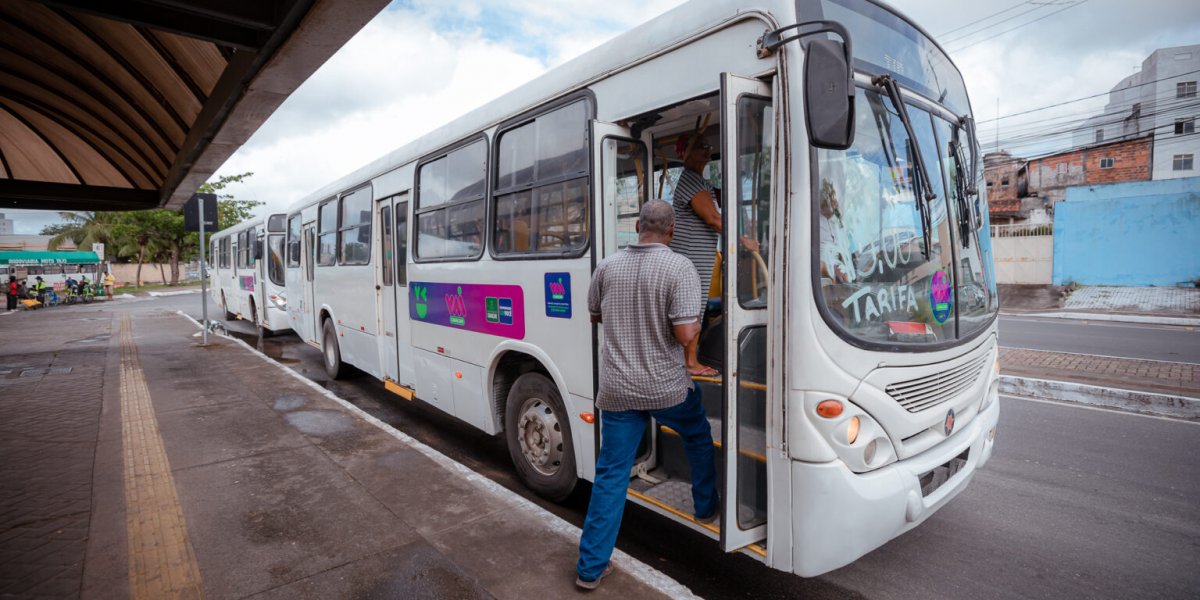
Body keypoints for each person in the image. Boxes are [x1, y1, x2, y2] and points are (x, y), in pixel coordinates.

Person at [576, 199, 718, 590]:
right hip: (666, 388)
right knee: (698, 436)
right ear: (672, 231)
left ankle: (589, 568)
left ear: (638, 225)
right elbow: (685, 335)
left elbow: (595, 316)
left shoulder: (606, 265)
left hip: (619, 391)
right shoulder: (680, 266)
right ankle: (706, 508)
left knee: (610, 476)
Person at [667, 133, 758, 376]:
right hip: (690, 259)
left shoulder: (700, 182)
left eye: (708, 146)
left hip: (698, 259)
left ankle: (688, 359)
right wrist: (743, 241)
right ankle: (690, 362)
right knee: (690, 308)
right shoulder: (690, 180)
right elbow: (713, 219)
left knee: (695, 307)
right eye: (699, 147)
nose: (706, 151)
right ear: (684, 153)